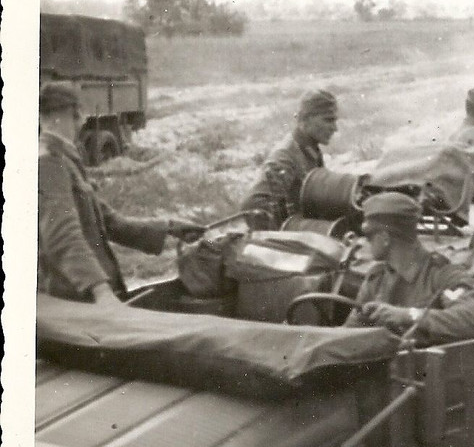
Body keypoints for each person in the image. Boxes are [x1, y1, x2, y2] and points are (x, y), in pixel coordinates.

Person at [37, 82, 204, 304]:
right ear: (73, 113)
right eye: (82, 114)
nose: (84, 121)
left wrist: (169, 227)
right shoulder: (49, 162)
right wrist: (100, 290)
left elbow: (110, 222)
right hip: (78, 300)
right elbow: (62, 235)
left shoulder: (65, 160)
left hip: (88, 297)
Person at [345, 191, 474, 345]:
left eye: (368, 236)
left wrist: (409, 315)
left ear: (385, 238)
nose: (364, 242)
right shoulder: (376, 277)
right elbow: (349, 332)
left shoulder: (441, 274)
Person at [241, 89, 339, 230]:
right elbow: (252, 204)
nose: (334, 128)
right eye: (328, 120)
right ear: (305, 119)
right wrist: (288, 230)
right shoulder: (286, 157)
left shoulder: (309, 149)